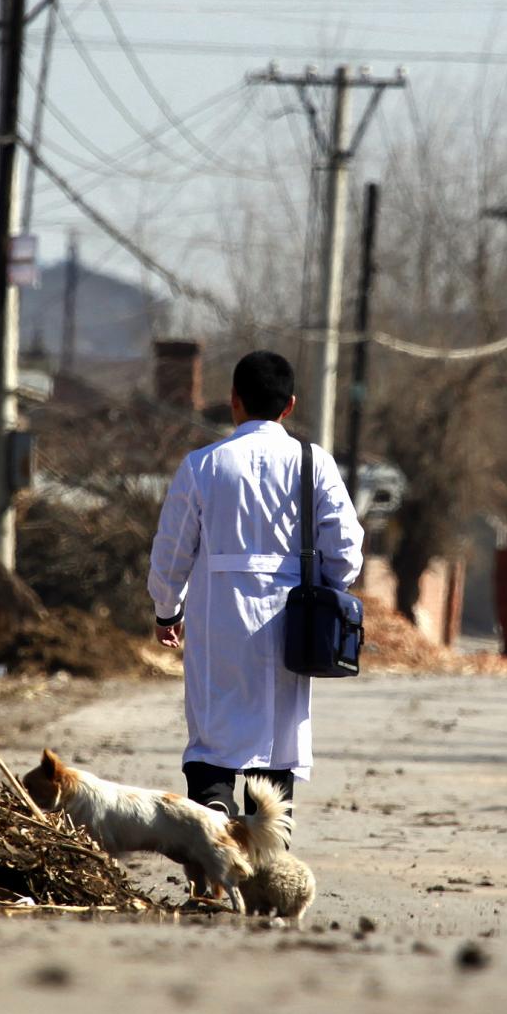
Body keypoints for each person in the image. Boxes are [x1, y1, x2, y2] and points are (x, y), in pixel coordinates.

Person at [147, 350, 364, 820]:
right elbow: (346, 548)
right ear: (290, 405)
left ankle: (214, 854)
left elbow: (171, 550)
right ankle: (268, 869)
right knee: (276, 753)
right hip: (292, 626)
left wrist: (168, 610)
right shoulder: (314, 463)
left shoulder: (202, 465)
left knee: (211, 748)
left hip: (216, 626)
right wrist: (324, 590)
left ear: (234, 400)